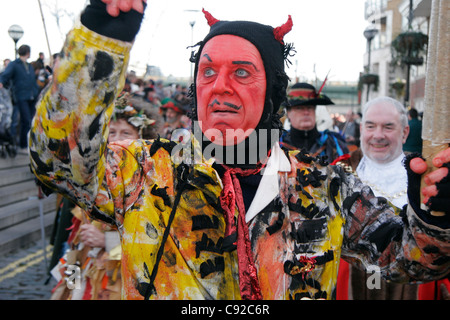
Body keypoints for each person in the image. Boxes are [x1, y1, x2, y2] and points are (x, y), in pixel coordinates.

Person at [29, 0, 449, 300]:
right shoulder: (143, 171)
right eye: (207, 71)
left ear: (271, 93)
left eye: (242, 72)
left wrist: (434, 215)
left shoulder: (323, 186)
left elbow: (410, 262)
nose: (221, 86)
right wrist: (101, 41)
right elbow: (56, 163)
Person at [49, 92, 159, 300]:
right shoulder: (91, 179)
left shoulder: (153, 184)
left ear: (142, 137)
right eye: (112, 132)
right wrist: (70, 289)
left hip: (122, 283)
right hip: (88, 274)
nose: (117, 140)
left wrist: (106, 241)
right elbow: (77, 243)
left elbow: (153, 244)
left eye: (126, 132)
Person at [336, 96, 419, 300]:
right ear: (362, 130)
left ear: (405, 133)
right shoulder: (336, 175)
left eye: (388, 127)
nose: (378, 135)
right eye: (371, 126)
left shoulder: (426, 179)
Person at [280, 82, 349, 163]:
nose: (306, 112)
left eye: (309, 107)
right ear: (288, 113)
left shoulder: (334, 144)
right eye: (299, 108)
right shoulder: (276, 144)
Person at [0, 44, 39, 152]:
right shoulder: (14, 64)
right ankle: (23, 145)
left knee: (30, 121)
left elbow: (33, 81)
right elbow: (5, 75)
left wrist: (37, 92)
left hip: (32, 96)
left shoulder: (29, 66)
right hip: (21, 96)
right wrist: (1, 82)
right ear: (27, 52)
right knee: (26, 120)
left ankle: (25, 143)